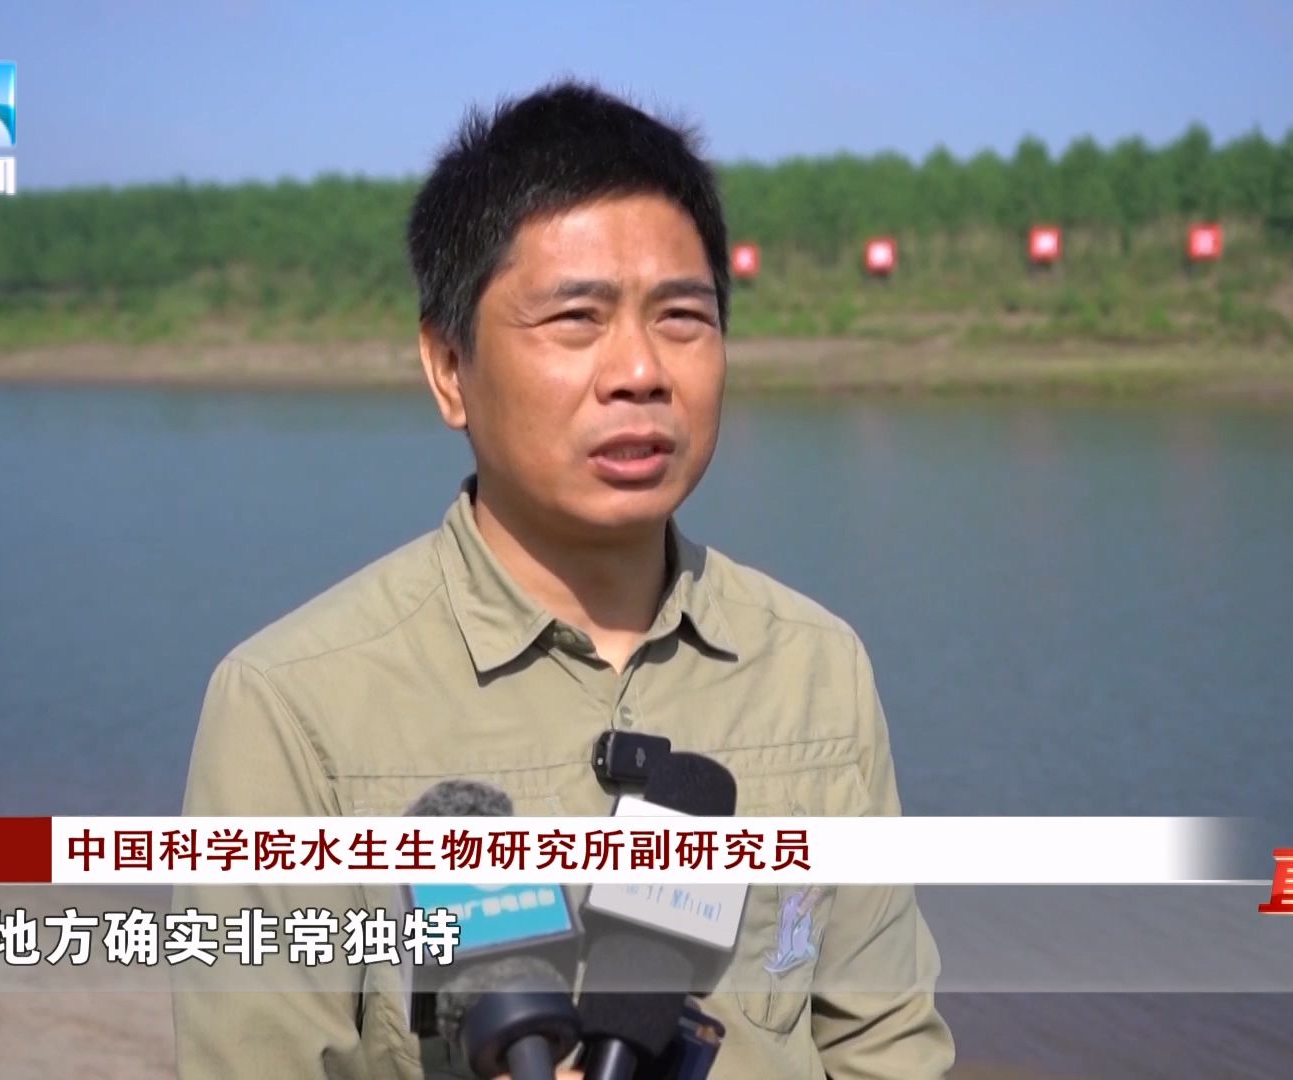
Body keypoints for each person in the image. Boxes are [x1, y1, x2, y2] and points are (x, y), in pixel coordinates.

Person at [172, 80, 955, 1080]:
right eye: (577, 319)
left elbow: (885, 1052)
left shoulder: (816, 667)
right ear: (448, 366)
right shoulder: (293, 707)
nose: (640, 371)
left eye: (683, 317)